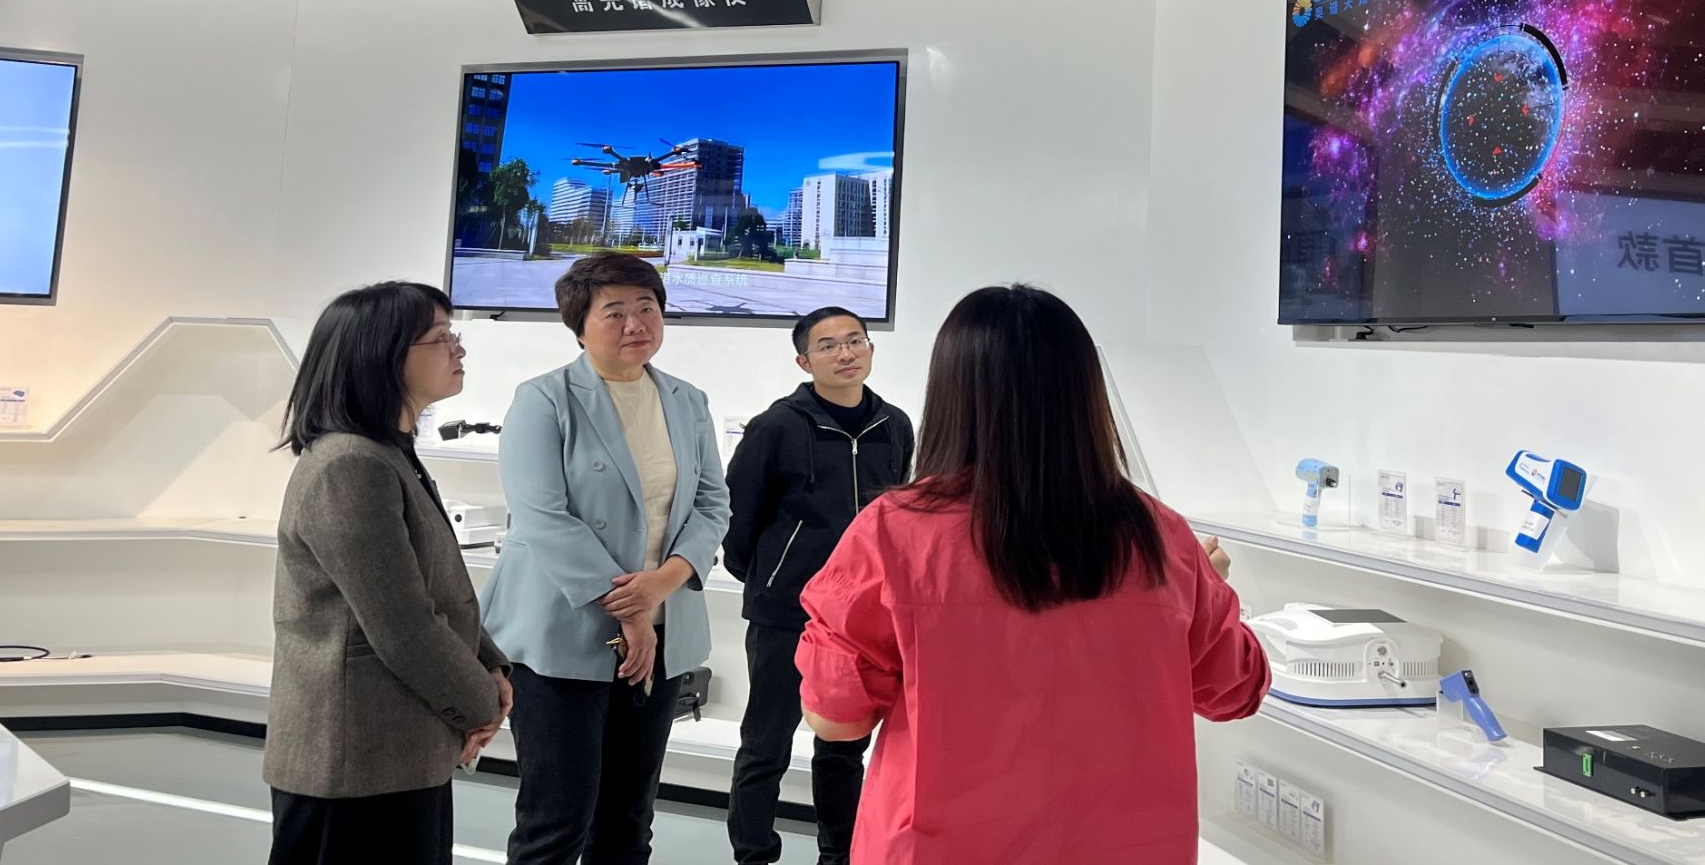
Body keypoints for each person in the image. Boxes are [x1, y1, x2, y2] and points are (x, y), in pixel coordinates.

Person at [795, 284, 1269, 865]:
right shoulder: (1161, 536)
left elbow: (835, 719)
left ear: (950, 393)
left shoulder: (892, 532)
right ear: (1084, 391)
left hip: (940, 847)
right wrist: (1212, 587)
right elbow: (1235, 691)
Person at [480, 252, 730, 865]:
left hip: (663, 630)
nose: (635, 323)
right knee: (557, 819)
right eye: (614, 311)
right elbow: (542, 516)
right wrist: (632, 609)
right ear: (579, 325)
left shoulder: (687, 400)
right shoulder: (544, 398)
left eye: (647, 307)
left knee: (628, 817)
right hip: (562, 631)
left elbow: (712, 504)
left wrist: (662, 585)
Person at [263, 281, 511, 865]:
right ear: (384, 356)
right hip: (355, 762)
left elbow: (440, 593)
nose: (458, 348)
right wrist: (482, 702)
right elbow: (403, 624)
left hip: (399, 751)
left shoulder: (388, 454)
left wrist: (492, 667)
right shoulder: (350, 465)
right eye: (441, 336)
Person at [724, 306, 915, 865]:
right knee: (766, 744)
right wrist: (770, 578)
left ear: (871, 350)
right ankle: (754, 854)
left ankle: (839, 855)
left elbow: (896, 515)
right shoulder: (776, 426)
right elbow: (740, 517)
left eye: (855, 341)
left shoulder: (894, 425)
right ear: (804, 362)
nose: (846, 353)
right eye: (828, 346)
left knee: (844, 747)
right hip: (787, 610)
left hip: (860, 618)